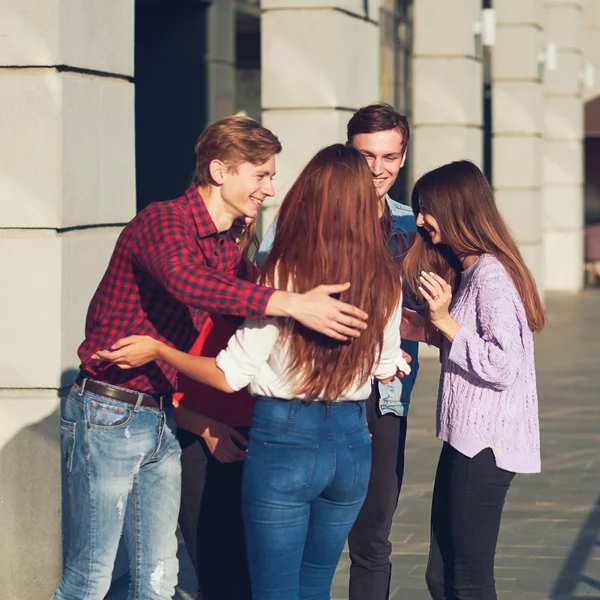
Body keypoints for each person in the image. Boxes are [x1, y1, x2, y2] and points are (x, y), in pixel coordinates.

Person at [52, 117, 370, 600]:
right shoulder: (163, 221)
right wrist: (290, 301)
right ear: (220, 171)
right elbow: (188, 282)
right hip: (108, 412)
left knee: (159, 577)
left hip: (161, 414)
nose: (270, 187)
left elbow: (239, 298)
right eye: (260, 174)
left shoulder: (224, 242)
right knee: (91, 577)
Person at [259, 103, 419, 600]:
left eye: (390, 156)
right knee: (307, 548)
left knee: (373, 538)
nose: (378, 169)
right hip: (309, 397)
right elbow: (267, 295)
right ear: (348, 153)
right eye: (367, 156)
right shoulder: (300, 219)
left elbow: (424, 309)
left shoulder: (411, 229)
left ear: (404, 155)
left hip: (384, 397)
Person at [401, 160, 544, 599]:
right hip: (467, 441)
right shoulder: (473, 271)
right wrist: (420, 326)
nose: (421, 220)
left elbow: (503, 365)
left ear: (457, 209)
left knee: (467, 578)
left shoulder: (492, 276)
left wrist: (444, 321)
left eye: (428, 209)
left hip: (485, 445)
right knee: (442, 576)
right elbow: (467, 344)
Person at [174, 219, 259, 600]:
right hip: (194, 436)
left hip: (256, 436)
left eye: (244, 226)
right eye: (229, 228)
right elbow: (154, 382)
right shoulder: (181, 287)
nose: (236, 236)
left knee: (250, 570)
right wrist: (207, 430)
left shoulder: (260, 280)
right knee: (214, 571)